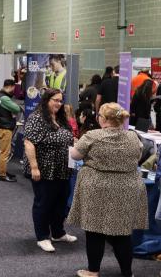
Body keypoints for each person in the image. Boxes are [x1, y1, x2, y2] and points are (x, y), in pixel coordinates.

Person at [68, 103, 148, 277]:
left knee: (94, 230)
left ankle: (93, 271)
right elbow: (138, 156)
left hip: (97, 187)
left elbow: (75, 155)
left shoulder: (92, 135)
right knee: (122, 232)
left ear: (103, 119)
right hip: (126, 187)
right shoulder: (133, 137)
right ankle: (127, 273)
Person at [23, 89, 77, 253]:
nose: (58, 104)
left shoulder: (60, 117)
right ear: (46, 100)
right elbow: (29, 143)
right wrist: (34, 167)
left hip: (63, 169)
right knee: (43, 204)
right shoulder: (37, 118)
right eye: (55, 100)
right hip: (44, 170)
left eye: (61, 101)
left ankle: (58, 233)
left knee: (60, 203)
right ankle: (42, 237)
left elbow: (70, 137)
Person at [0, 79, 21, 182]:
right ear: (10, 86)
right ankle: (2, 174)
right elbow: (17, 109)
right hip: (5, 127)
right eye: (14, 87)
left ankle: (3, 171)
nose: (14, 90)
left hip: (3, 126)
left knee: (4, 151)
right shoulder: (4, 98)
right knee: (4, 152)